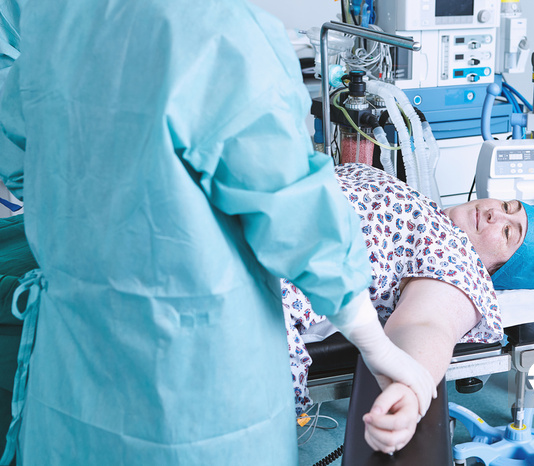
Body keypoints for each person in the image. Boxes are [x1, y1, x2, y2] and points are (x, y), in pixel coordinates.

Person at [0, 2, 436, 465]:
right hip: (191, 389)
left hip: (73, 373)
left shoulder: (56, 19)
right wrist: (370, 338)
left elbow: (23, 157)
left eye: (513, 226)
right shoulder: (211, 27)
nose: (492, 215)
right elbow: (294, 206)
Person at [284, 163, 534, 453]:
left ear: (502, 271)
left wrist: (411, 389)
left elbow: (427, 325)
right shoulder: (424, 205)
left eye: (508, 232)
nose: (494, 213)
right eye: (507, 206)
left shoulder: (458, 262)